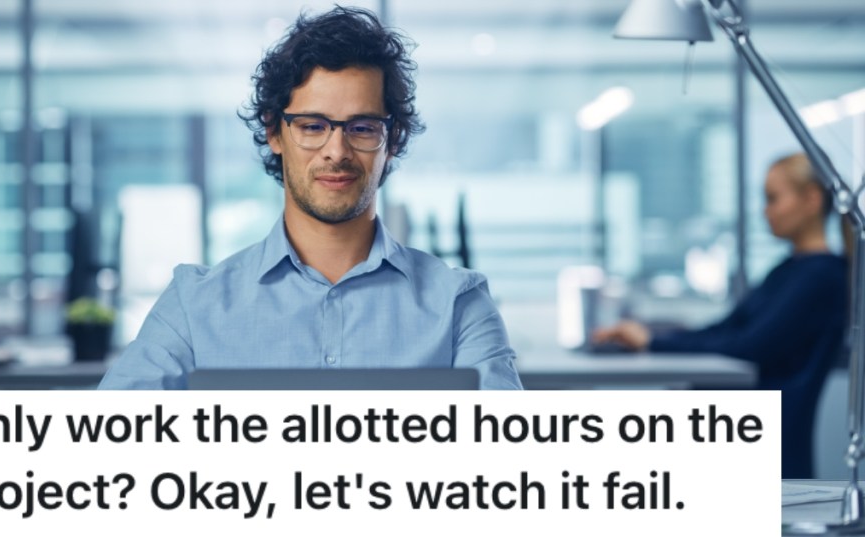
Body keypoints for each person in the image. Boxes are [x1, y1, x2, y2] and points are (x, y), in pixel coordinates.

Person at [100, 7, 521, 390]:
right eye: (312, 125)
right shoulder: (193, 307)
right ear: (274, 132)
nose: (336, 151)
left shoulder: (459, 307)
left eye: (361, 127)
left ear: (391, 140)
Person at [593, 152, 849, 477]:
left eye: (773, 198)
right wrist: (652, 338)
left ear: (811, 199)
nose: (765, 210)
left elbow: (749, 346)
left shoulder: (820, 277)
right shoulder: (789, 271)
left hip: (758, 429)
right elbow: (726, 328)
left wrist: (655, 344)